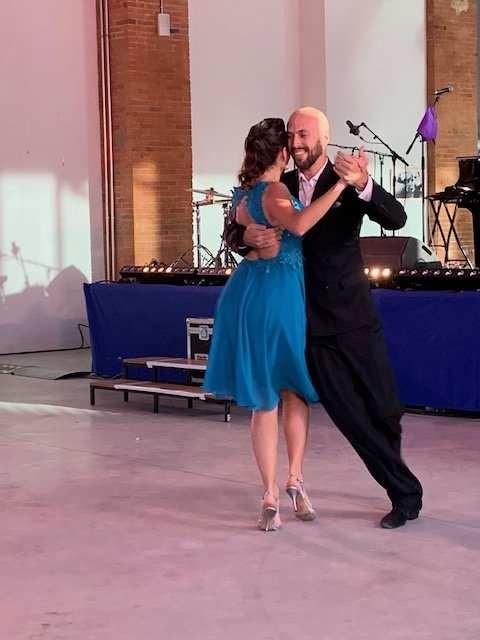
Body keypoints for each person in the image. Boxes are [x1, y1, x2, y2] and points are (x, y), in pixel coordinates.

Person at [225, 107, 423, 529]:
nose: (296, 142)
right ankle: (405, 494)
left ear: (324, 138)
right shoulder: (279, 183)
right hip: (307, 321)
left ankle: (397, 477)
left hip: (353, 314)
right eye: (291, 135)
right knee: (350, 417)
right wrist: (243, 237)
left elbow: (397, 218)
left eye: (304, 134)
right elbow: (237, 223)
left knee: (385, 408)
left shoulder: (346, 177)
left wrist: (364, 184)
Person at [203, 117, 349, 531]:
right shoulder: (275, 190)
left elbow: (239, 227)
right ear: (283, 152)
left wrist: (244, 234)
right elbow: (299, 225)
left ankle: (269, 495)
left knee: (264, 395)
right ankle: (294, 479)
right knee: (292, 388)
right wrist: (340, 185)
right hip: (279, 295)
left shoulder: (243, 193)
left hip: (248, 291)